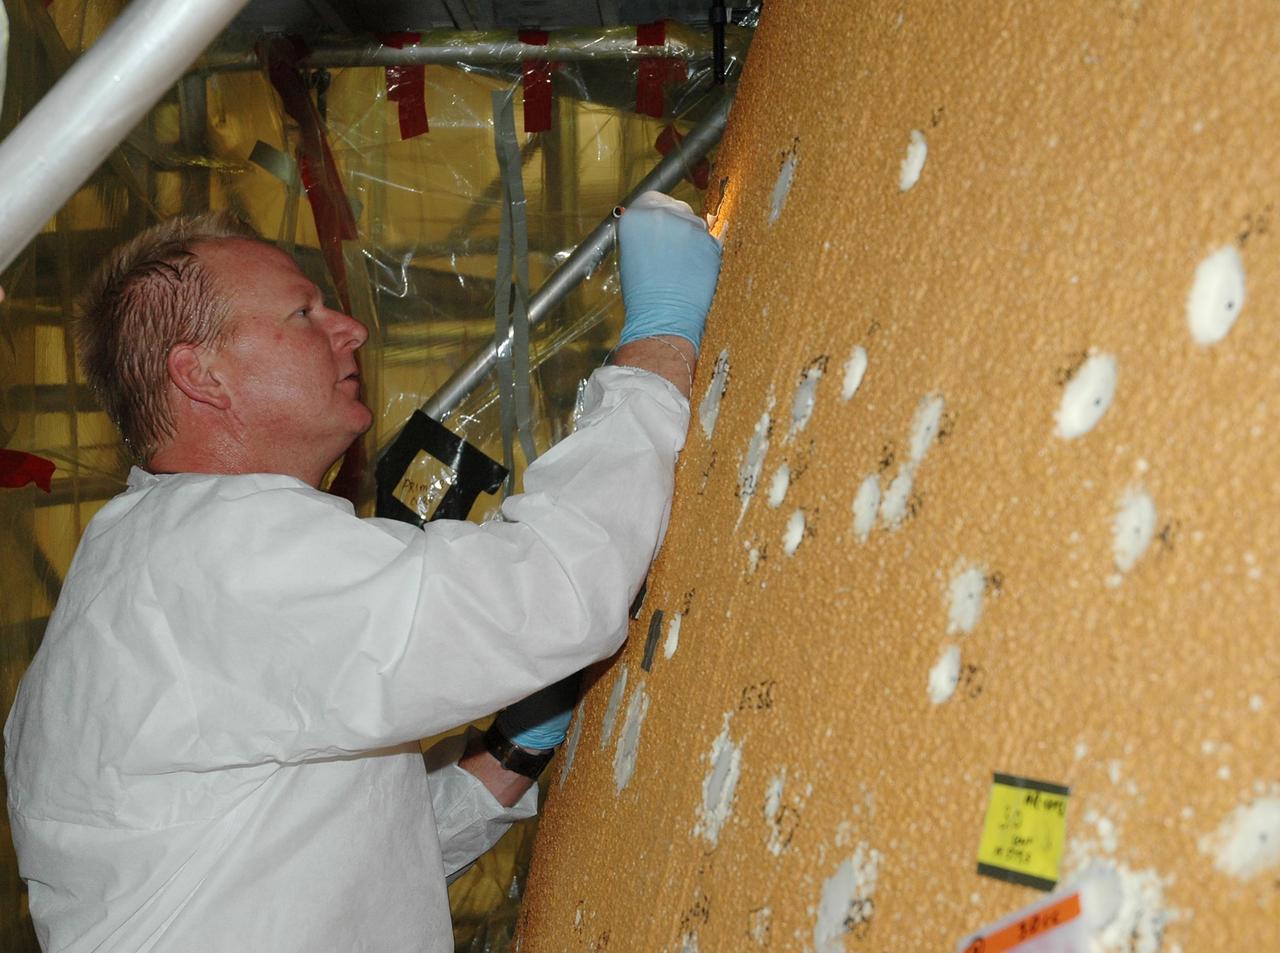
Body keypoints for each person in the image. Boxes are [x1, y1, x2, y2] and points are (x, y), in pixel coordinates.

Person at [3, 190, 721, 952]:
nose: (352, 328)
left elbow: (327, 859)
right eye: (303, 314)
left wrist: (512, 751)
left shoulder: (144, 574)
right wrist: (658, 346)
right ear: (202, 376)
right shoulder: (216, 554)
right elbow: (547, 595)